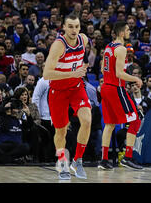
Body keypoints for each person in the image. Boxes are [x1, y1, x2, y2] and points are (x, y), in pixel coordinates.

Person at [43, 13, 91, 180]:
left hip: (76, 87)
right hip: (58, 91)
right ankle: (63, 163)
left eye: (77, 26)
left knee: (87, 120)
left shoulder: (83, 39)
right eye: (70, 26)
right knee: (61, 131)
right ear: (63, 27)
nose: (74, 30)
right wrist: (73, 72)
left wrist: (84, 66)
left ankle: (78, 160)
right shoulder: (58, 45)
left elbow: (85, 56)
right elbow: (46, 73)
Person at [98, 21, 143, 170]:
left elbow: (105, 70)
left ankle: (104, 160)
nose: (130, 32)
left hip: (106, 87)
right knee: (136, 120)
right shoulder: (121, 48)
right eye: (128, 30)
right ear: (122, 32)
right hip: (115, 88)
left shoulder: (108, 47)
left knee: (110, 124)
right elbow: (119, 73)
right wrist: (136, 78)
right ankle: (127, 157)